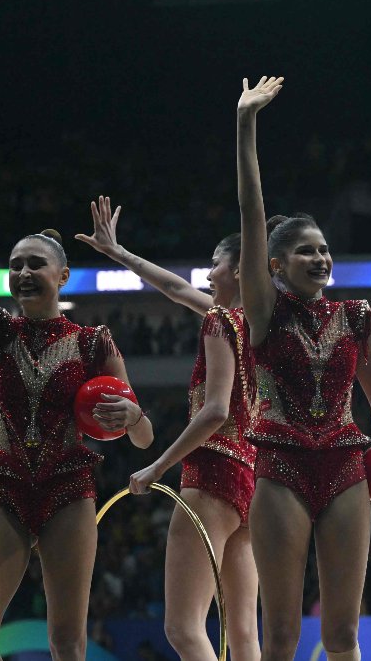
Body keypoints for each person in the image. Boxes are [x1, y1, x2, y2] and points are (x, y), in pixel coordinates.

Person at [0, 119, 154, 660]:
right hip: (6, 490)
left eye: (36, 264)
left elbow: (143, 438)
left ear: (63, 276)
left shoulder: (94, 342)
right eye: (15, 266)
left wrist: (132, 418)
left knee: (66, 641)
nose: (23, 272)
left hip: (68, 494)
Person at [236, 76, 371, 660]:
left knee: (343, 633)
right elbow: (252, 213)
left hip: (346, 466)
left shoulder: (357, 315)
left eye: (324, 249)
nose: (319, 257)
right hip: (280, 468)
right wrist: (246, 125)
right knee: (284, 634)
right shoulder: (264, 311)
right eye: (305, 250)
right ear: (274, 265)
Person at [76, 196, 260, 660]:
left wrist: (158, 465)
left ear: (238, 271)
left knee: (182, 627)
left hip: (212, 474)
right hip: (253, 481)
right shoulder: (263, 326)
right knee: (242, 635)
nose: (207, 274)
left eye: (215, 264)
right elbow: (177, 290)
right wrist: (119, 254)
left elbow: (216, 410)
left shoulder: (222, 322)